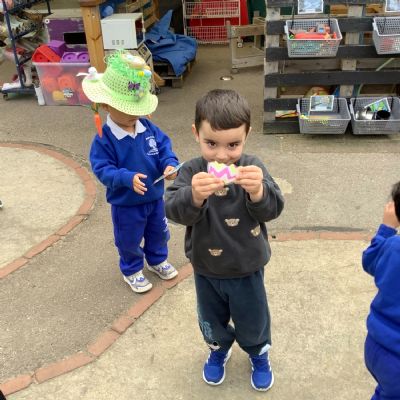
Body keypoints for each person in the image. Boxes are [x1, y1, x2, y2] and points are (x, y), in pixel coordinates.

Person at [165, 89, 284, 391]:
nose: (221, 155)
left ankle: (258, 353)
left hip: (247, 266)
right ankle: (218, 349)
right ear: (196, 133)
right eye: (211, 143)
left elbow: (273, 209)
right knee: (211, 318)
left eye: (233, 145)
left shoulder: (252, 168)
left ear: (247, 135)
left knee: (253, 318)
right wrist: (193, 196)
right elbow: (173, 210)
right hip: (206, 268)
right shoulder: (191, 172)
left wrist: (258, 192)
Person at [82, 50, 180, 294]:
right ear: (107, 105)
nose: (134, 115)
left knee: (158, 232)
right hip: (126, 204)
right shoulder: (104, 139)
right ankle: (131, 269)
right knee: (128, 239)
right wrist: (126, 178)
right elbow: (102, 169)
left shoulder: (147, 127)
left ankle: (157, 260)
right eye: (126, 109)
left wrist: (169, 164)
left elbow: (164, 148)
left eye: (137, 109)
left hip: (154, 197)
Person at [362, 181, 400, 400]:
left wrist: (386, 229)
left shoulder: (393, 247)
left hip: (375, 346)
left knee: (387, 390)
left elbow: (369, 261)